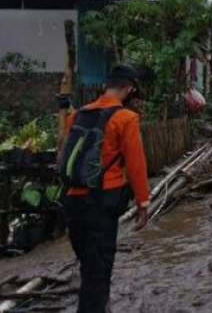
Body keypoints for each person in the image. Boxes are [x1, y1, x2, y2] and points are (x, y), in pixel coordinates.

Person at [62, 65, 150, 313]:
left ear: (106, 85)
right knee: (99, 268)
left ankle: (99, 306)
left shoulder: (76, 115)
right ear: (129, 88)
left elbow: (64, 155)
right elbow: (135, 165)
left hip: (72, 201)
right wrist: (143, 203)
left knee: (88, 264)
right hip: (102, 202)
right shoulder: (126, 118)